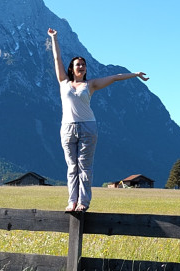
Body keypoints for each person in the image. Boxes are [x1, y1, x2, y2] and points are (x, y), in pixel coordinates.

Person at [47, 28, 148, 212]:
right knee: (72, 167)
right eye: (78, 64)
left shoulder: (90, 84)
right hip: (67, 128)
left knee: (84, 167)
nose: (81, 67)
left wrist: (135, 74)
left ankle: (83, 202)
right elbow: (57, 58)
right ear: (71, 68)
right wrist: (54, 38)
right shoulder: (63, 81)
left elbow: (115, 78)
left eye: (83, 65)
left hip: (87, 128)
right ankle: (72, 201)